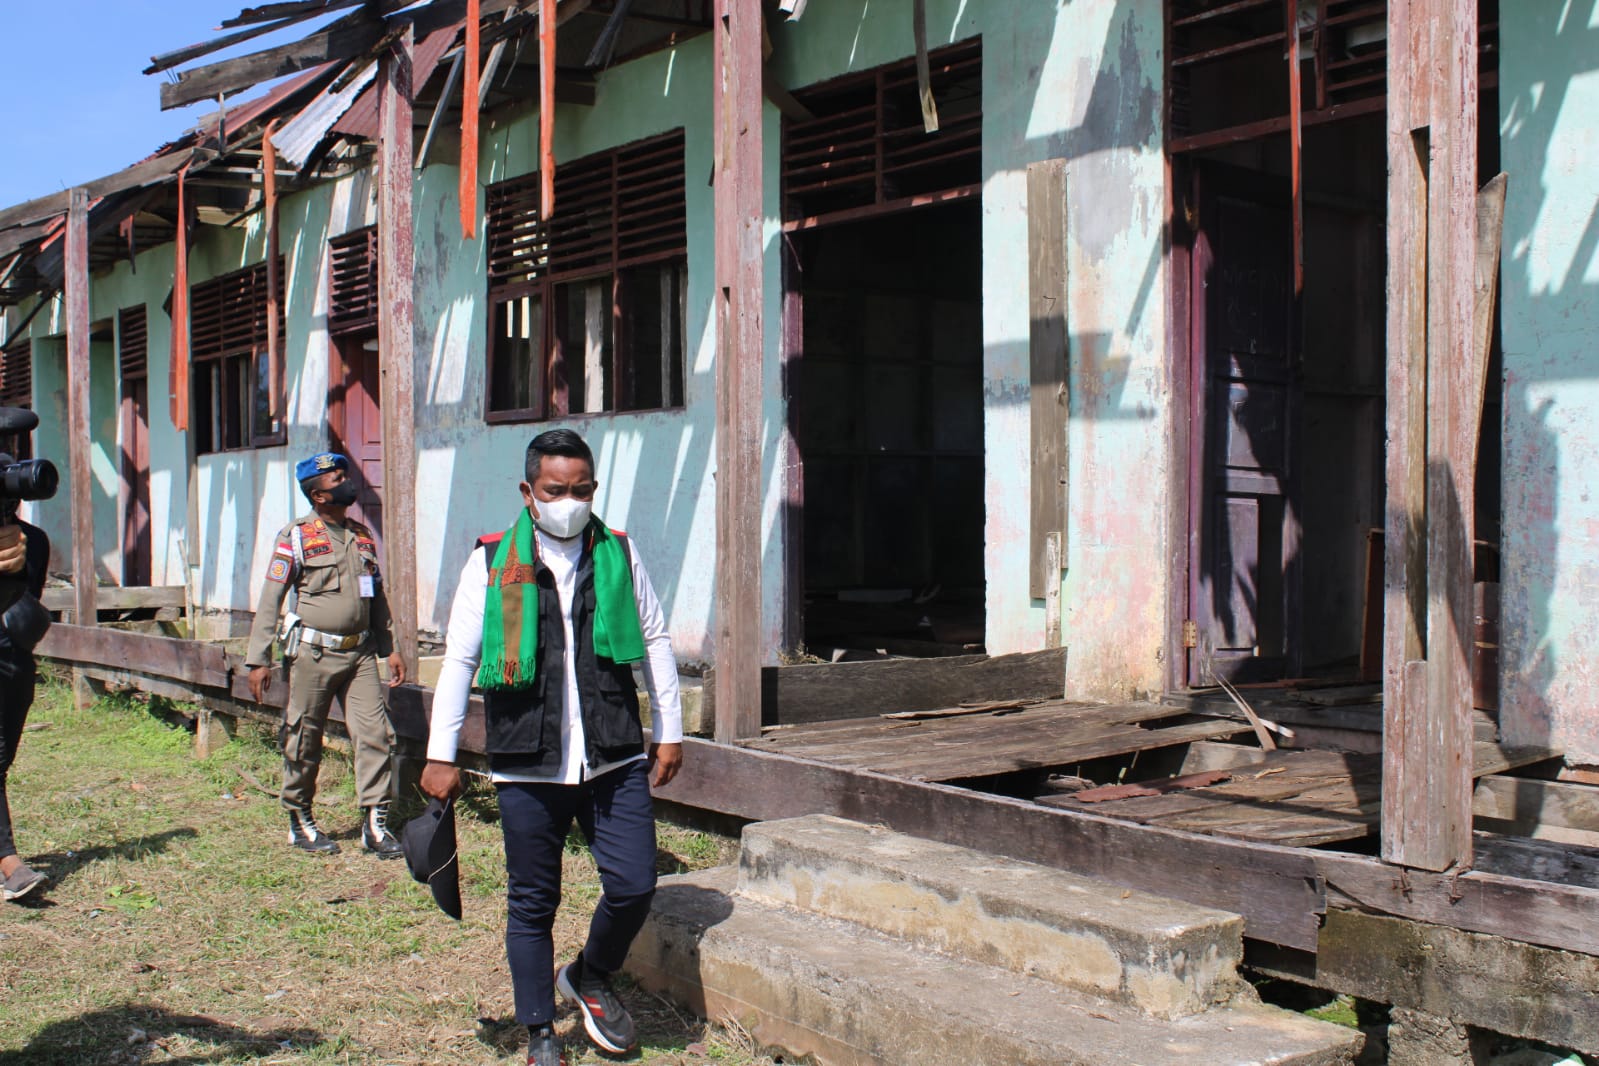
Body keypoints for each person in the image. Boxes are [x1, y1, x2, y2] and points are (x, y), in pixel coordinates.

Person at [421, 429, 683, 1066]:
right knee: (533, 900)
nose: (570, 500)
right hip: (528, 761)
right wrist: (440, 752)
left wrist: (669, 729)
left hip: (612, 754)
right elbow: (459, 660)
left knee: (634, 884)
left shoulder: (617, 551)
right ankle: (540, 1029)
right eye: (555, 490)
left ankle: (591, 975)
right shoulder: (490, 560)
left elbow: (654, 639)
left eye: (582, 489)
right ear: (528, 491)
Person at [245, 452, 407, 857]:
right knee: (304, 737)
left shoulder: (361, 535)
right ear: (318, 494)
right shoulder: (296, 536)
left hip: (360, 655)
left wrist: (392, 650)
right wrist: (258, 659)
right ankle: (299, 819)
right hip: (312, 654)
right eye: (338, 478)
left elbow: (377, 598)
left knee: (376, 735)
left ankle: (374, 823)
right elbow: (271, 598)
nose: (347, 482)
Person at [0, 517, 49, 902]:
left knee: (2, 760)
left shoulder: (33, 540)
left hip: (15, 664)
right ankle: (9, 864)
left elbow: (24, 601)